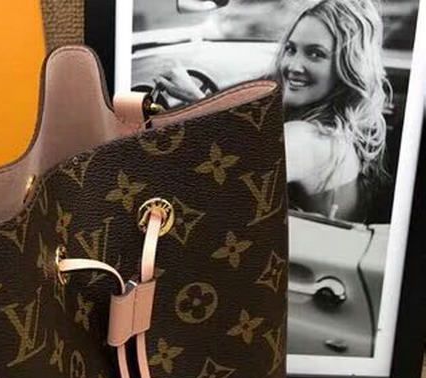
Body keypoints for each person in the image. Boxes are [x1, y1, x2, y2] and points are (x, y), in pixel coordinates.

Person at [150, 0, 390, 222]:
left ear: (347, 66)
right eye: (291, 49)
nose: (293, 66)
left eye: (316, 54)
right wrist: (199, 100)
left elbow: (210, 176)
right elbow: (242, 146)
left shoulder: (310, 139)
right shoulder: (337, 130)